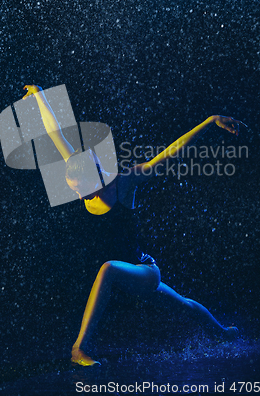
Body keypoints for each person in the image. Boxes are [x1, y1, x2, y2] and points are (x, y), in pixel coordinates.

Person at [23, 84, 246, 366]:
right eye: (74, 191)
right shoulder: (77, 165)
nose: (79, 197)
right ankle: (223, 333)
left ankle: (79, 348)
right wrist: (41, 96)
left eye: (82, 190)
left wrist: (209, 121)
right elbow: (55, 131)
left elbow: (168, 155)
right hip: (129, 275)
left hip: (143, 271)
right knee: (183, 305)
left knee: (108, 269)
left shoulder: (124, 183)